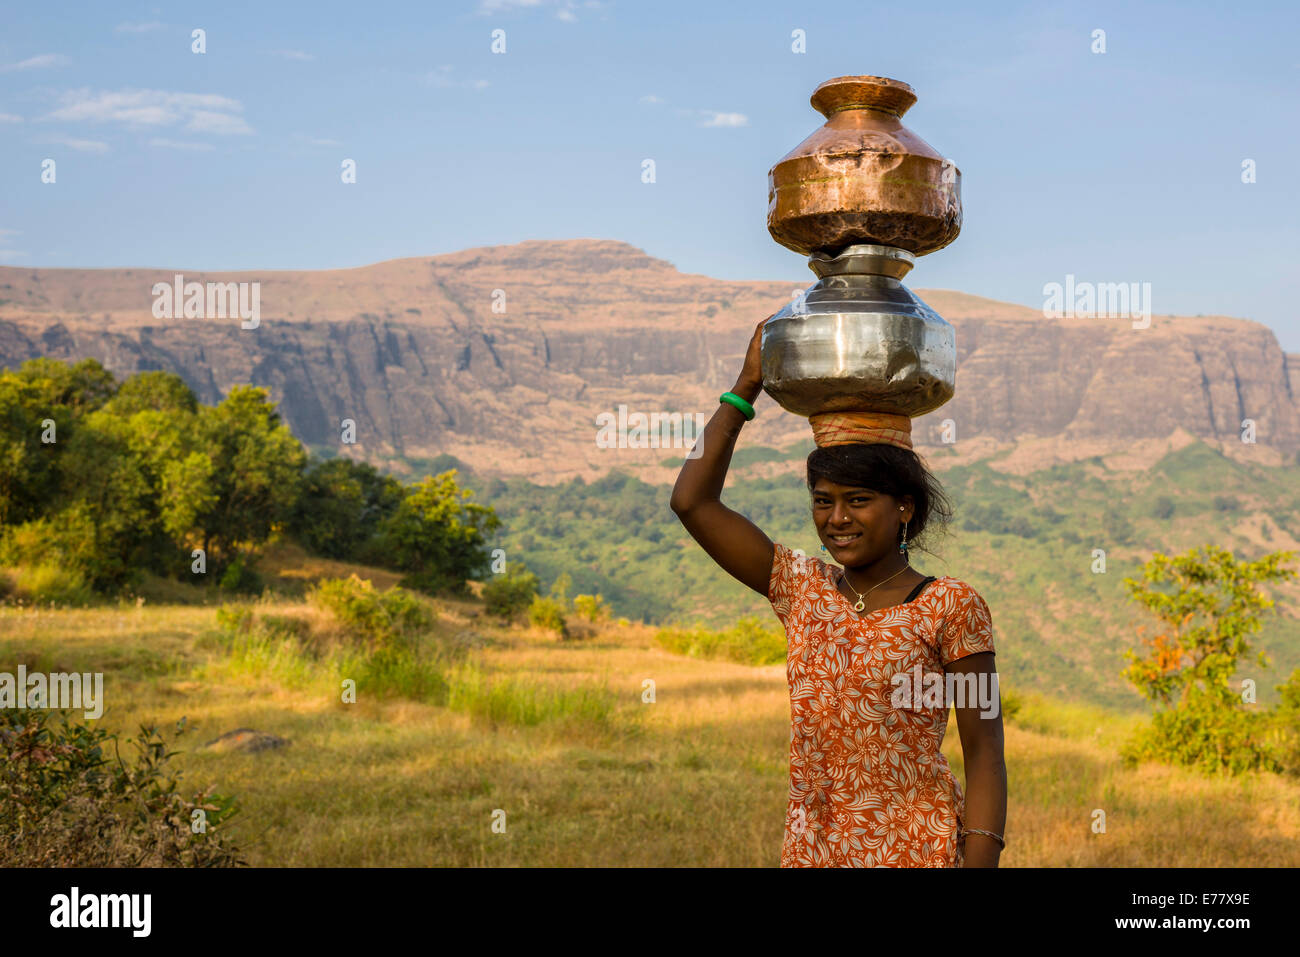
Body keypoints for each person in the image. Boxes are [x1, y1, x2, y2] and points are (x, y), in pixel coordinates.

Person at [669, 314, 1008, 867]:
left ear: (905, 508)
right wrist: (744, 388)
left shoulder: (951, 606)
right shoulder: (802, 588)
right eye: (823, 500)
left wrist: (980, 862)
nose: (837, 518)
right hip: (813, 853)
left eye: (858, 499)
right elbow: (693, 503)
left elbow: (984, 752)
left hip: (916, 853)